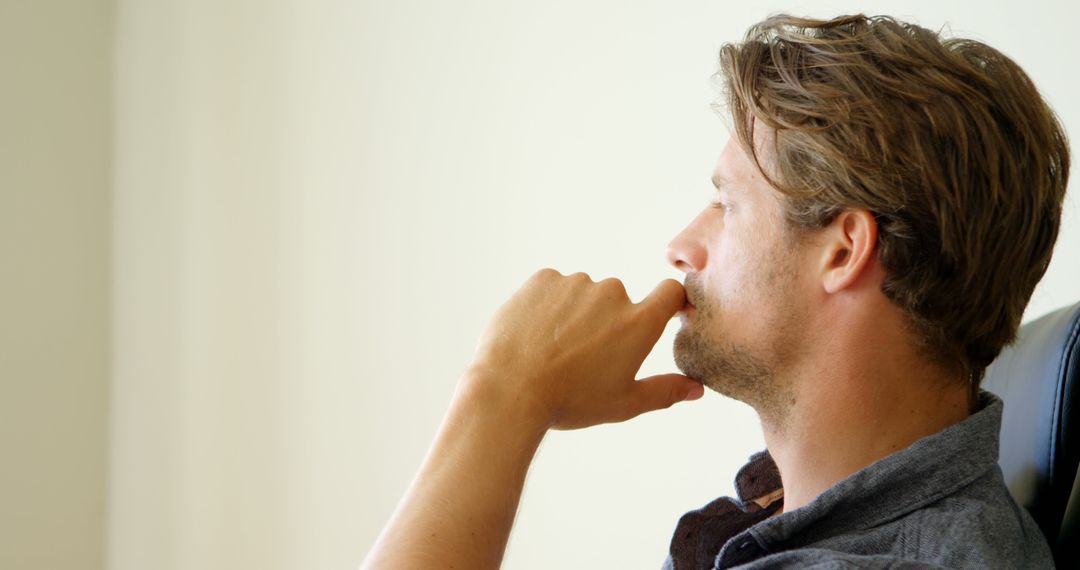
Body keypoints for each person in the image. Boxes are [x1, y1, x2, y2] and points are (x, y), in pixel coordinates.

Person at [361, 14, 1070, 569]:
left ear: (844, 249)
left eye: (726, 204)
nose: (680, 246)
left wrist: (502, 395)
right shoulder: (782, 517)